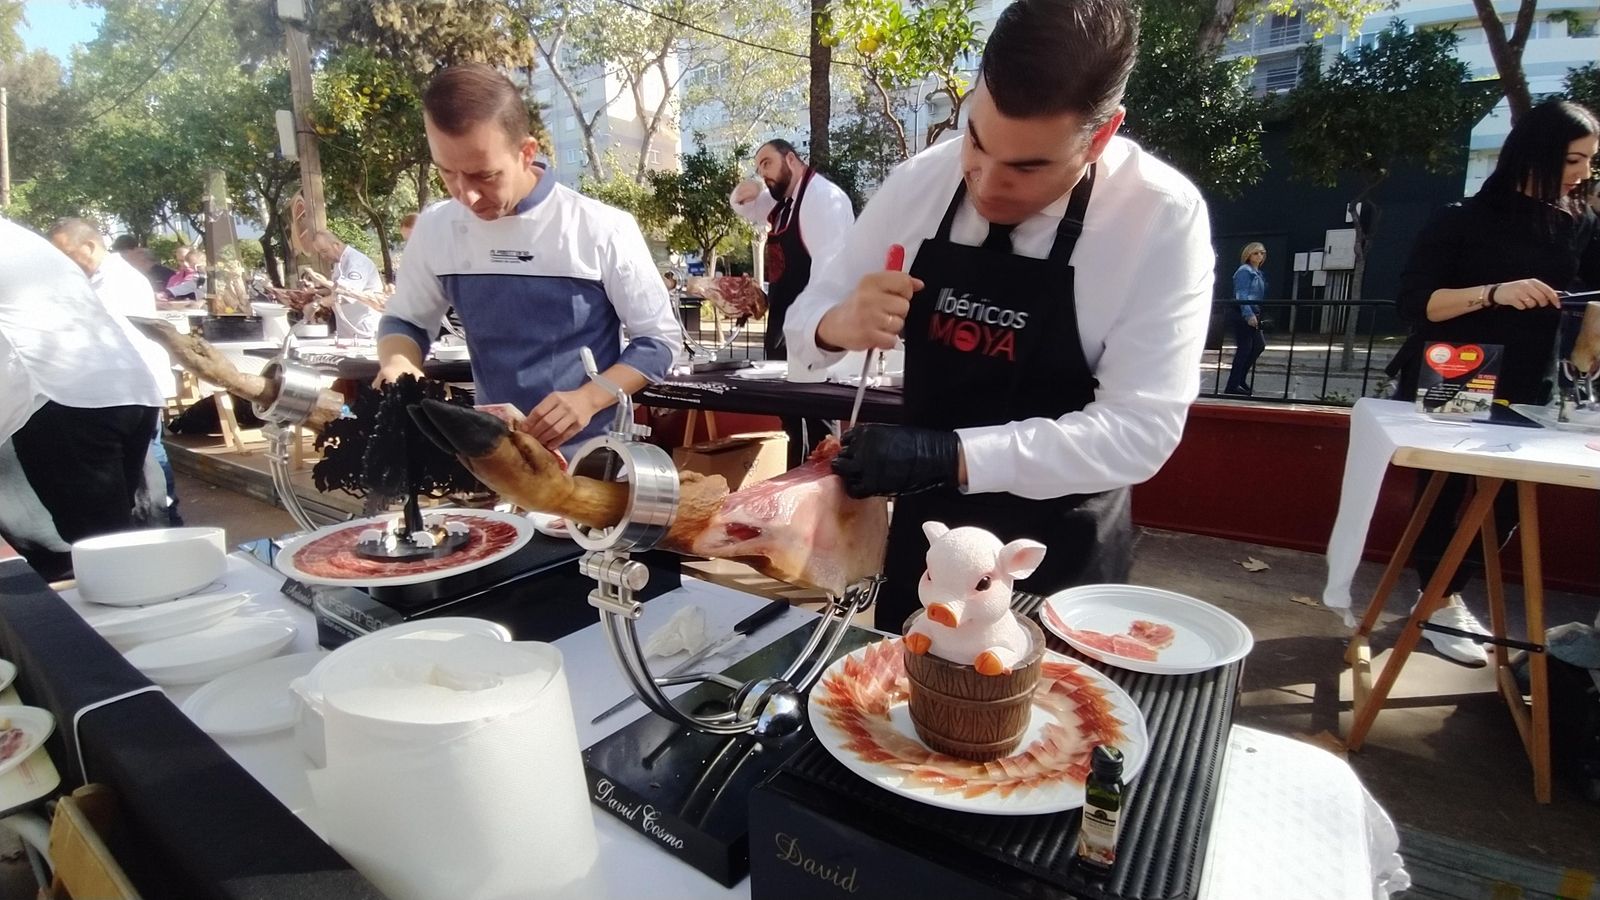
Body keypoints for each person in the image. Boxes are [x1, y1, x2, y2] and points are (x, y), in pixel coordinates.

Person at [785, 0, 1214, 629]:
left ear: (1101, 136)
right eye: (976, 142)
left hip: (1061, 559)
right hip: (929, 549)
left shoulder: (1159, 217)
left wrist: (948, 454)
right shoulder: (920, 184)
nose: (986, 183)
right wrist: (837, 323)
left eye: (1026, 167)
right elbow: (805, 321)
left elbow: (1138, 431)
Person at [1390, 99, 1599, 666]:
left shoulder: (1580, 223)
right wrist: (1493, 292)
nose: (1583, 173)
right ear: (1535, 153)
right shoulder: (1463, 217)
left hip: (1535, 378)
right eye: (1573, 160)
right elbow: (1415, 303)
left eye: (1589, 160)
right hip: (1461, 365)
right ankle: (1438, 601)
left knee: (1508, 501)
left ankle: (1446, 593)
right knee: (1444, 492)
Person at [377, 64, 682, 452]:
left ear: (526, 152)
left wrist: (589, 398)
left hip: (591, 458)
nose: (466, 195)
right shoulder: (436, 227)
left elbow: (659, 341)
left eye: (484, 175)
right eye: (447, 173)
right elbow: (406, 320)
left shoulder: (602, 227)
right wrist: (398, 363)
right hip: (493, 455)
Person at [0, 217, 166, 580]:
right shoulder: (20, 238)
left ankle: (130, 607)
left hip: (65, 400)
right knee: (118, 537)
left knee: (103, 551)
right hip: (128, 389)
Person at [47, 218, 183, 525]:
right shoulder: (97, 279)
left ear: (89, 246)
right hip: (126, 389)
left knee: (150, 465)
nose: (61, 263)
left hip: (131, 390)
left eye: (65, 254)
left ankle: (166, 521)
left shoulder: (117, 281)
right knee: (147, 463)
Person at [731, 138, 856, 466]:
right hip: (783, 328)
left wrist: (813, 331)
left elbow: (831, 275)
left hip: (812, 331)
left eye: (767, 163)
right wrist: (745, 190)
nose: (763, 173)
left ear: (791, 159)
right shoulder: (784, 203)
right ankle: (793, 488)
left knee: (817, 424)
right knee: (791, 422)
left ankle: (823, 490)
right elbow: (747, 206)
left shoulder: (823, 198)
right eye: (758, 167)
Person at [308, 230, 385, 340]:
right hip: (348, 329)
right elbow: (337, 289)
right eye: (320, 253)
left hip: (364, 329)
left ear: (336, 245)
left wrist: (319, 303)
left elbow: (348, 294)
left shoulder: (357, 262)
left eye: (324, 251)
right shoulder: (339, 262)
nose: (323, 256)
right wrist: (317, 291)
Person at [1225, 242, 1267, 395]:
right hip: (1243, 312)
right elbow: (1241, 294)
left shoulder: (1257, 272)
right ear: (1248, 255)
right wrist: (1248, 314)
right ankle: (1233, 385)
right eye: (1256, 253)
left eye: (1262, 253)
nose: (1259, 256)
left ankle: (1239, 380)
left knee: (1257, 346)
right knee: (1245, 348)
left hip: (1252, 311)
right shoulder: (1245, 271)